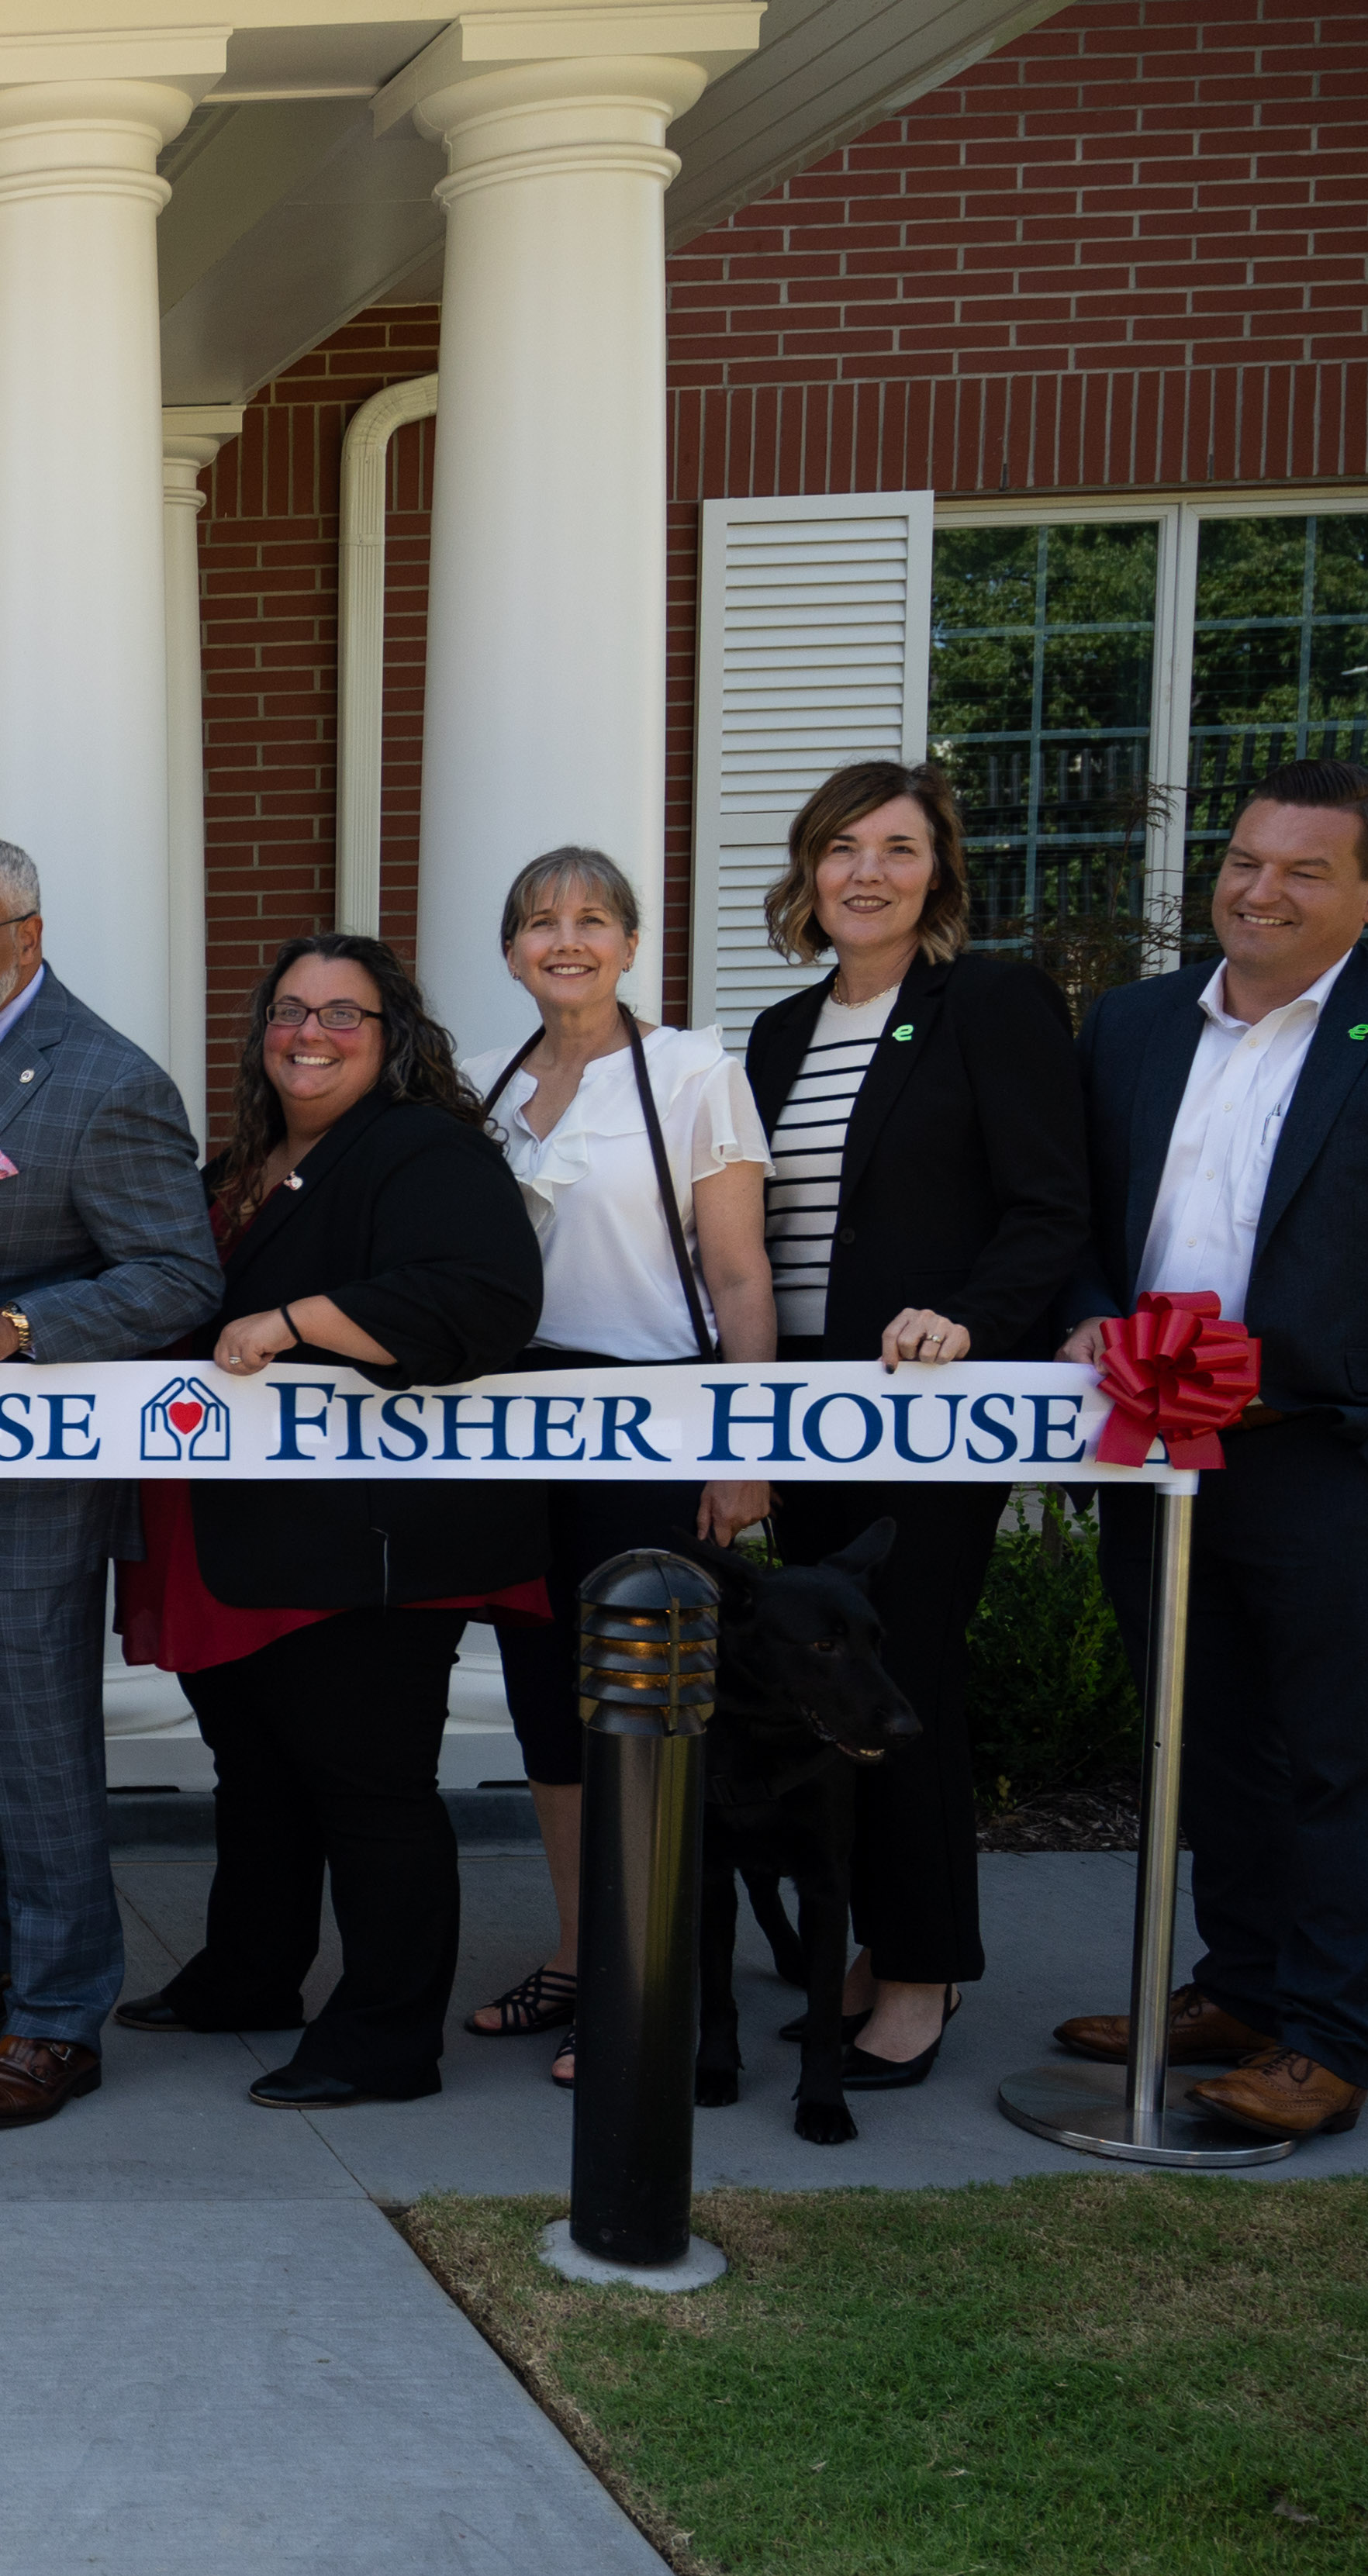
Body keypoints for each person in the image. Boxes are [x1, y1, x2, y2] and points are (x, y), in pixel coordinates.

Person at [1052, 758, 1368, 2142]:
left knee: (1347, 1757)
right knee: (1204, 1735)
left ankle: (1333, 2039)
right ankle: (1241, 1988)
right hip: (1153, 1451)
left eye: (1302, 871)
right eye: (1243, 861)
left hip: (1329, 1455)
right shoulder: (1133, 1024)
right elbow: (1080, 1228)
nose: (1259, 891)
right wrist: (1089, 1327)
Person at [116, 935, 543, 2107]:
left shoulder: (421, 1149)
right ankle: (248, 1976)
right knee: (256, 1772)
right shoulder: (245, 1163)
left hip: (368, 1545)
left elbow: (487, 1300)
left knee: (369, 1786)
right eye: (290, 1013)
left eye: (343, 1014)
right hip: (246, 1537)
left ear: (393, 1037)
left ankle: (386, 2040)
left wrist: (299, 1319)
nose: (311, 1034)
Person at [0, 834, 219, 2131]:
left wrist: (17, 1324)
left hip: (28, 1496)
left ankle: (60, 2021)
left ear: (29, 937)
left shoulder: (105, 1079)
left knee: (37, 1763)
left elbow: (178, 1276)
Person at [737, 760, 1085, 2086]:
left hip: (930, 1407)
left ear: (938, 868)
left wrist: (968, 1318)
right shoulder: (780, 1033)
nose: (866, 871)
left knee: (908, 1675)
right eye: (841, 848)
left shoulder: (989, 1003)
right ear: (808, 869)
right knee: (836, 1684)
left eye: (897, 846)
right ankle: (881, 1942)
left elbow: (1050, 1207)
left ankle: (926, 1976)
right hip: (814, 1404)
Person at [450, 847, 776, 2082]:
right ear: (512, 948)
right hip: (516, 1427)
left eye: (592, 920)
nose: (566, 940)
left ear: (633, 943)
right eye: (540, 921)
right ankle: (587, 1959)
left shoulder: (694, 1071)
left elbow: (739, 1272)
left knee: (651, 1718)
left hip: (651, 1420)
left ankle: (660, 1986)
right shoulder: (479, 1085)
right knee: (549, 1714)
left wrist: (749, 1444)